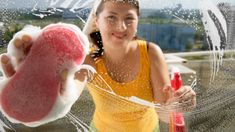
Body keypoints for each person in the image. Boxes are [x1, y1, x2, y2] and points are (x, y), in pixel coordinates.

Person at [0, 0, 196, 131]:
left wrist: (177, 104)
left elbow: (163, 113)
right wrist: (34, 89)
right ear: (97, 20)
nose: (121, 27)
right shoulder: (90, 60)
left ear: (138, 22)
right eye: (111, 18)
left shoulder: (151, 53)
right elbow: (69, 94)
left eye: (129, 19)